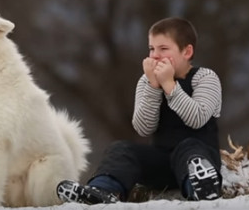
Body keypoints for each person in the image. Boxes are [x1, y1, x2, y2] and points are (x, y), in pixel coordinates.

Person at [57, 17, 223, 204]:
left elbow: (197, 118)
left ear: (187, 51)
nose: (155, 56)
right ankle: (102, 190)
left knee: (188, 147)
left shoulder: (206, 78)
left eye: (163, 49)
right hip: (163, 163)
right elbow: (143, 128)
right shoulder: (147, 81)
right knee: (120, 149)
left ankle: (201, 188)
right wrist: (153, 88)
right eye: (152, 49)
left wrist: (169, 85)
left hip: (197, 160)